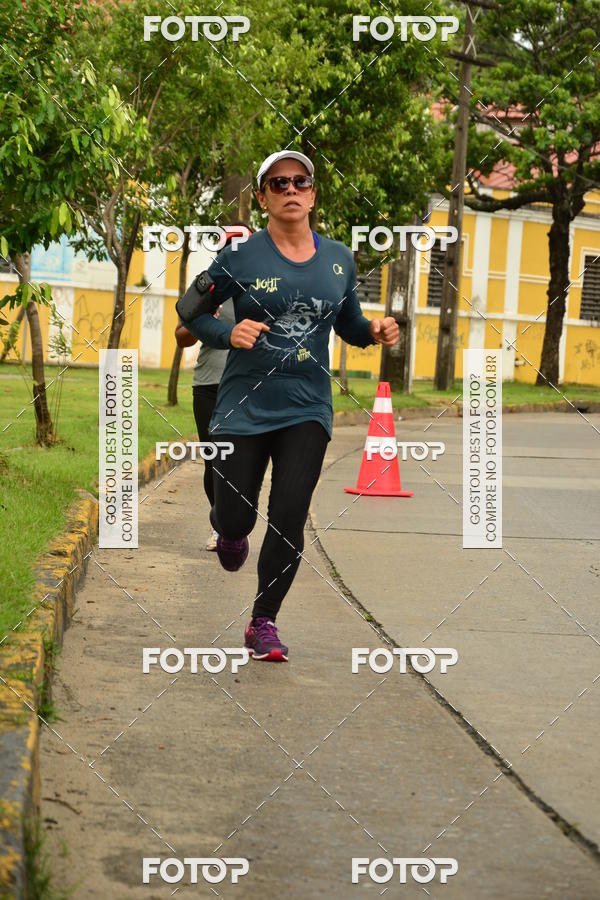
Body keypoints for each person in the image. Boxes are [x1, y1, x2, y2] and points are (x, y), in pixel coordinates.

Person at [177, 150, 399, 662]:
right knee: (235, 517)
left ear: (313, 193)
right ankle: (229, 533)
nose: (291, 189)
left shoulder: (339, 259)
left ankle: (264, 621)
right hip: (242, 406)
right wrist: (226, 331)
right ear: (263, 198)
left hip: (307, 408)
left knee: (290, 516)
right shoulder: (241, 257)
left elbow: (348, 324)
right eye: (279, 184)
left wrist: (374, 332)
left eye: (300, 181)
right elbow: (190, 310)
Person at [174, 224, 251, 550]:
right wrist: (207, 318)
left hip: (248, 386)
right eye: (227, 247)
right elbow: (181, 337)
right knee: (214, 458)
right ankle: (221, 524)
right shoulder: (207, 286)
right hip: (208, 384)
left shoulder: (263, 287)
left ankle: (237, 519)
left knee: (242, 460)